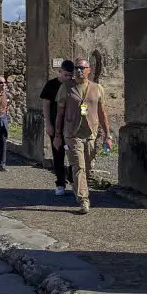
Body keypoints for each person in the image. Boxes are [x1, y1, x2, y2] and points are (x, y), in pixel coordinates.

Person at [54, 58, 112, 215]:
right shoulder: (65, 88)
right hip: (72, 134)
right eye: (76, 68)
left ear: (89, 70)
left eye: (82, 68)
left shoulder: (97, 88)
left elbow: (102, 113)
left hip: (90, 134)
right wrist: (57, 135)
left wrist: (107, 135)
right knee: (79, 166)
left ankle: (76, 183)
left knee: (87, 167)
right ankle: (83, 199)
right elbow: (59, 114)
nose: (79, 70)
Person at [40, 60, 74, 195]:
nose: (68, 78)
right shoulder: (51, 85)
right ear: (60, 72)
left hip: (71, 126)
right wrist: (48, 123)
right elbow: (46, 105)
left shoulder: (73, 85)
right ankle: (60, 183)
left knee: (73, 153)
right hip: (55, 125)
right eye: (66, 75)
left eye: (70, 75)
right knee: (58, 154)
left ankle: (73, 179)